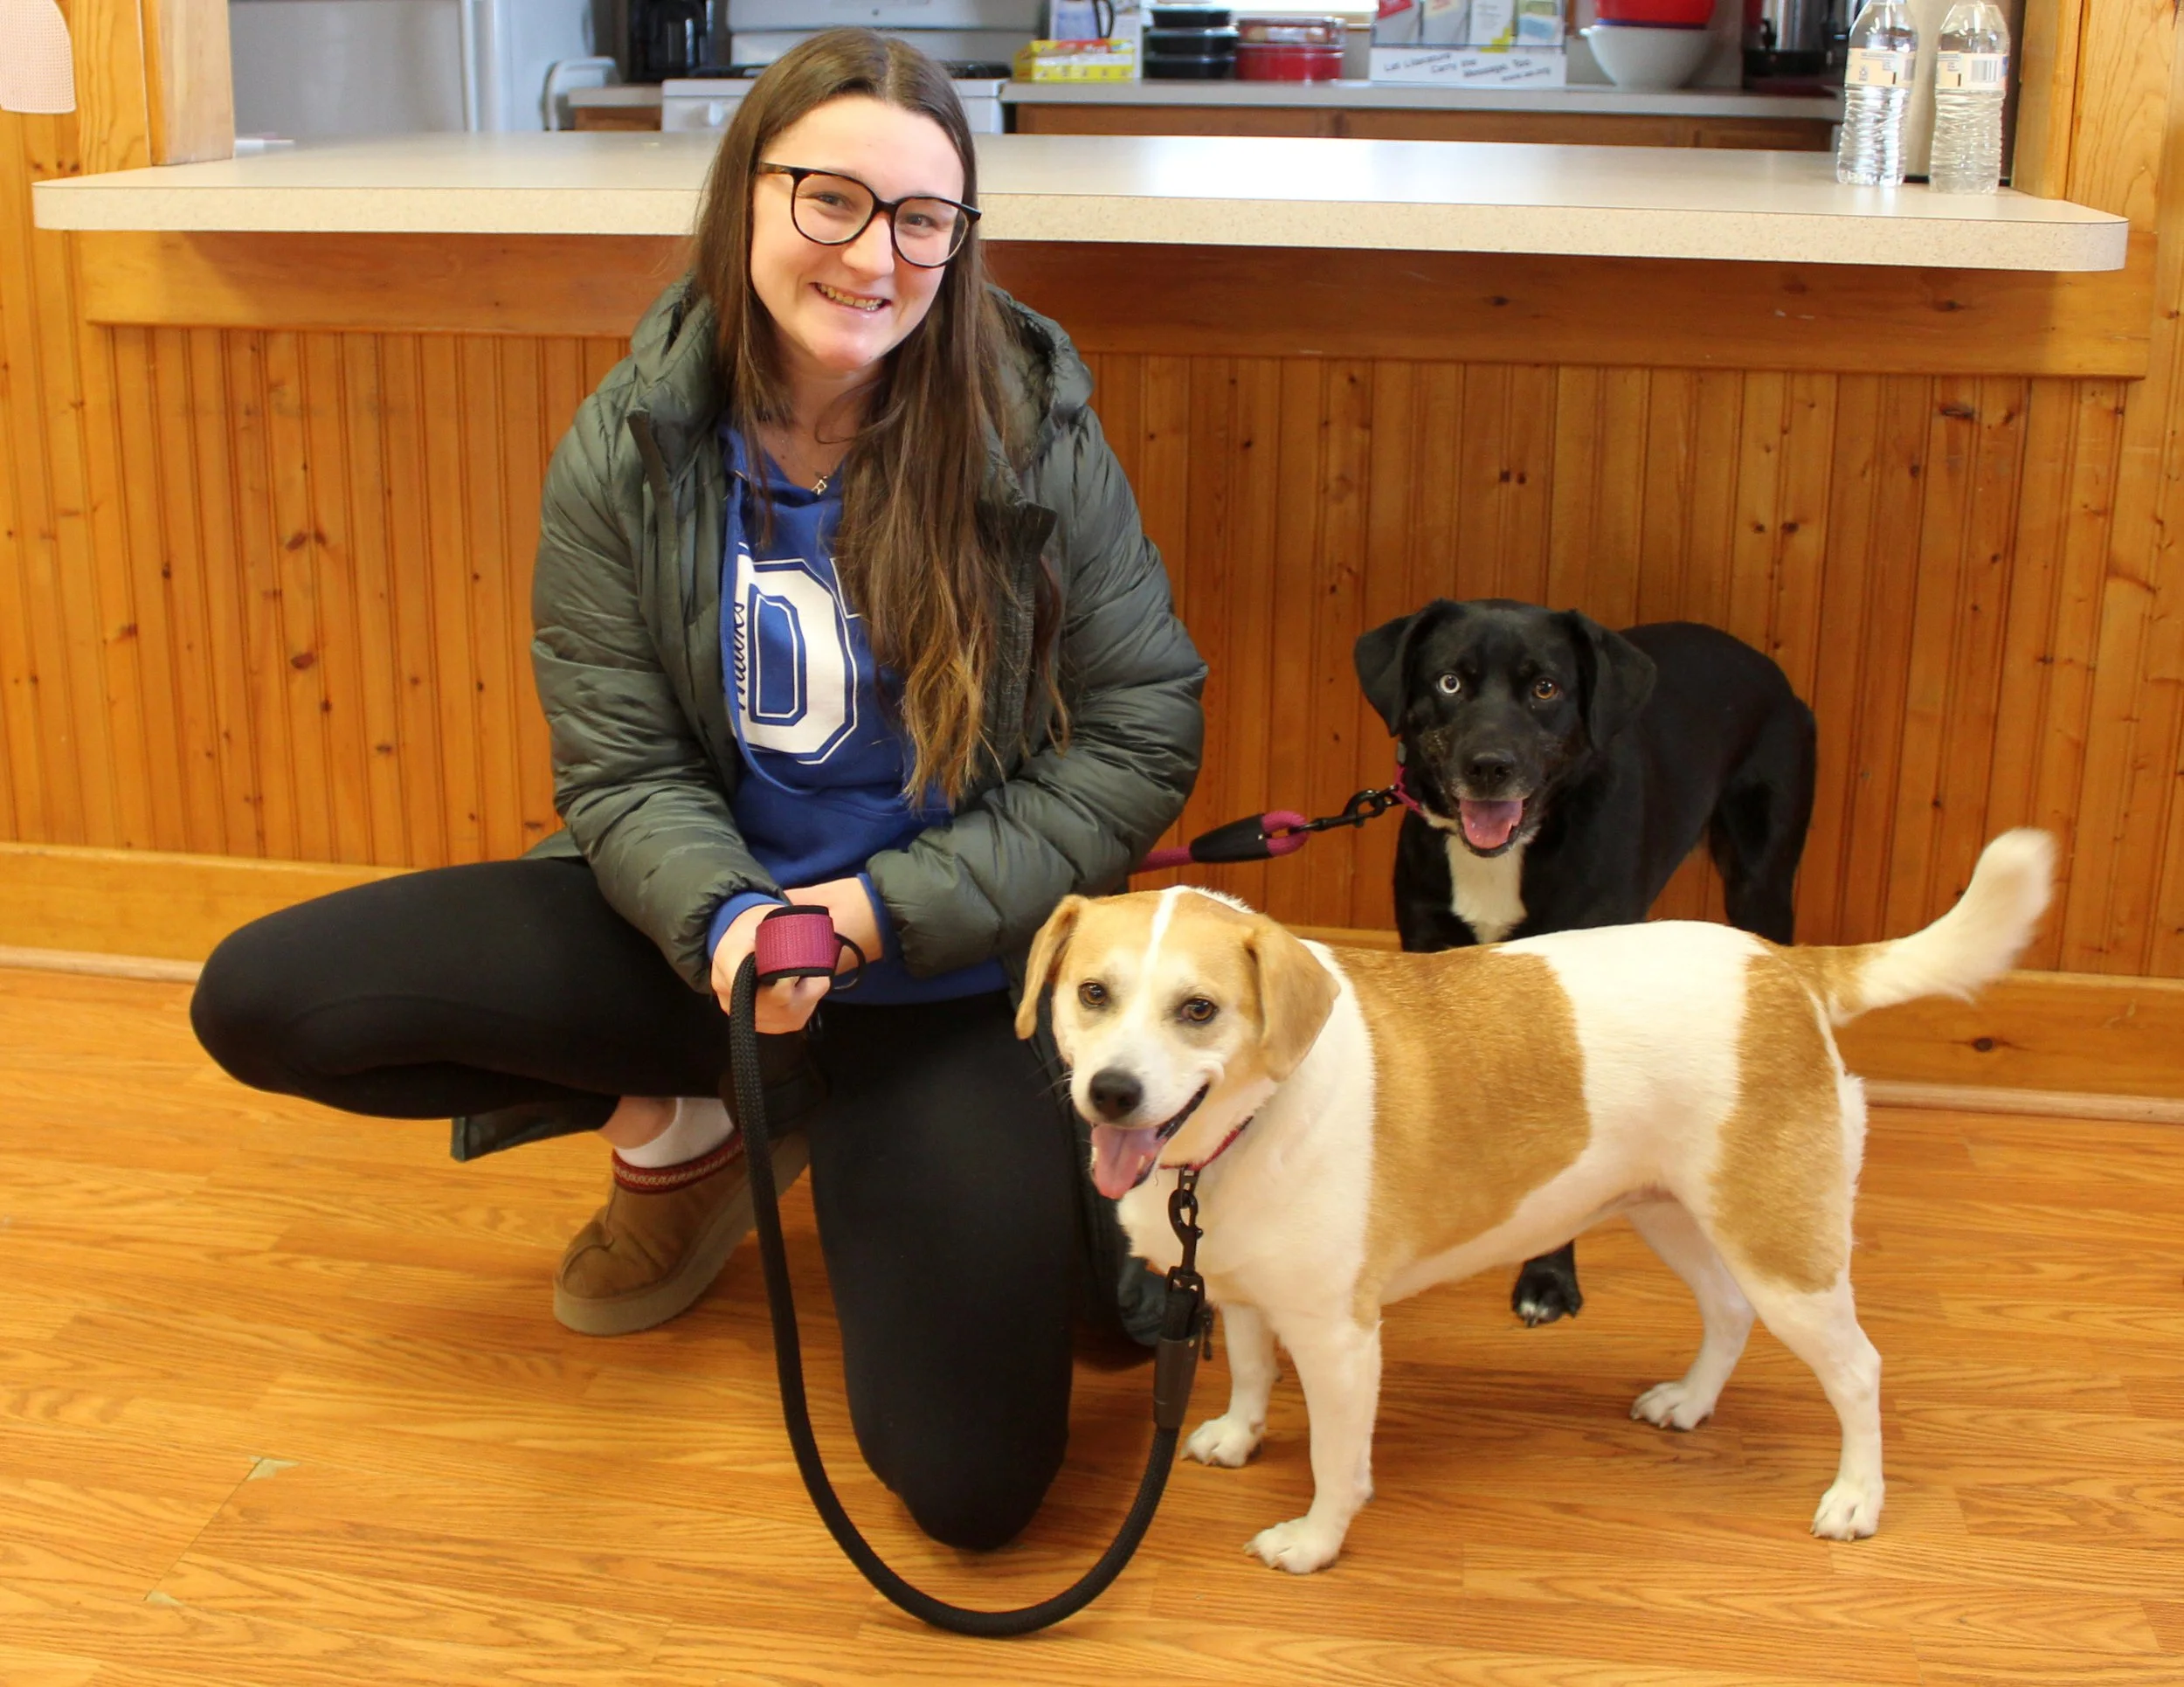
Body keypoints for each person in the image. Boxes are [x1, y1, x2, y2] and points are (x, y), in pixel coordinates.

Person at [189, 29, 1206, 1552]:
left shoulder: (1024, 424)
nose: (877, 256)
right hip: (714, 949)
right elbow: (622, 764)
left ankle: (892, 1140)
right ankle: (696, 1132)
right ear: (746, 196)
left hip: (946, 979)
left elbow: (1142, 727)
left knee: (976, 1491)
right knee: (267, 995)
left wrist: (880, 912)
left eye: (925, 219)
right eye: (833, 201)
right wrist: (728, 914)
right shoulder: (633, 441)